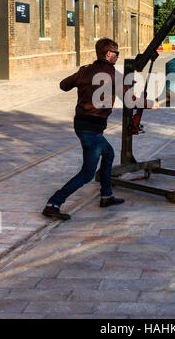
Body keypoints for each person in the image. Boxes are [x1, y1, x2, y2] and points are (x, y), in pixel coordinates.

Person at [42, 38, 126, 221]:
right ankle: (53, 203)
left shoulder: (85, 71)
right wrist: (151, 103)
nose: (118, 57)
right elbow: (131, 99)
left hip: (81, 124)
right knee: (87, 173)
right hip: (92, 129)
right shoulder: (114, 75)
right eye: (117, 53)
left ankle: (106, 196)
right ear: (109, 54)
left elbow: (63, 85)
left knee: (109, 153)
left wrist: (82, 78)